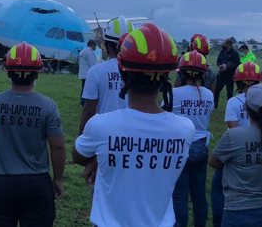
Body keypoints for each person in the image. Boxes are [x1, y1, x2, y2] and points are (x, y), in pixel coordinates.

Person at [72, 23, 195, 227]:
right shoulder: (185, 129)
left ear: (123, 73)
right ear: (167, 77)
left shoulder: (101, 126)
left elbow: (78, 156)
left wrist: (99, 159)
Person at [0, 42, 66, 226]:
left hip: (0, 183)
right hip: (36, 184)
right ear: (37, 73)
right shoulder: (48, 106)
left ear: (8, 72)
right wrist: (58, 179)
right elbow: (57, 146)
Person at [211, 61, 262, 227]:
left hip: (238, 151)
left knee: (217, 186)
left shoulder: (234, 101)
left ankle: (219, 219)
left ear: (238, 81)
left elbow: (232, 128)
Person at [169, 50, 214, 227]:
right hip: (202, 146)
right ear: (204, 74)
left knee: (179, 196)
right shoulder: (209, 95)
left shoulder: (174, 94)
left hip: (180, 147)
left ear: (181, 72)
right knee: (199, 195)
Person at [79, 17, 134, 135]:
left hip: (103, 135)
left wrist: (81, 139)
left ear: (107, 44)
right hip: (131, 135)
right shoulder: (138, 72)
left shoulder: (95, 71)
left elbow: (89, 111)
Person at [214, 39, 241, 109]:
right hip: (221, 75)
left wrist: (229, 66)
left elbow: (238, 64)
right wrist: (219, 65)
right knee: (216, 90)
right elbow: (218, 61)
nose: (223, 45)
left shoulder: (235, 54)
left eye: (225, 44)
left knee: (229, 92)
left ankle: (230, 107)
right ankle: (214, 105)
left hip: (230, 76)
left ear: (229, 45)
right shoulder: (222, 52)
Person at [78, 39, 98, 106]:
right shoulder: (89, 52)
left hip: (82, 73)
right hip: (87, 73)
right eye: (95, 45)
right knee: (87, 89)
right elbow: (92, 64)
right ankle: (85, 102)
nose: (95, 47)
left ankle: (82, 102)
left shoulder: (83, 51)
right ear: (91, 45)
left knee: (83, 88)